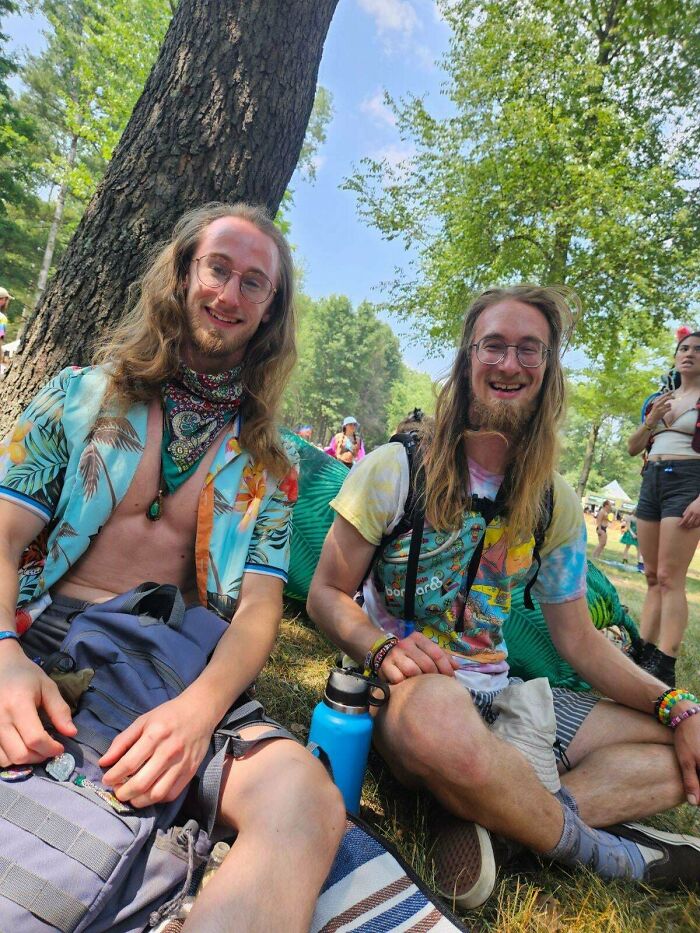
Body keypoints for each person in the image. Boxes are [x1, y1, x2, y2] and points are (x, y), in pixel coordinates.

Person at [0, 202, 344, 931]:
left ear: (269, 313)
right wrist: (2, 652)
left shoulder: (271, 466)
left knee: (306, 798)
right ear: (184, 273)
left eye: (255, 283)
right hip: (33, 627)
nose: (230, 292)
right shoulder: (75, 394)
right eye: (218, 267)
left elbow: (257, 610)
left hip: (172, 663)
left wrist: (198, 712)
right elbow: (2, 537)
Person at [308, 284, 700, 910]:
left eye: (530, 350)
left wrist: (678, 706)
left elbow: (578, 641)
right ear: (467, 359)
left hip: (507, 698)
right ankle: (609, 852)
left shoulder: (556, 502)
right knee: (440, 718)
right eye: (494, 346)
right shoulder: (394, 467)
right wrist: (378, 646)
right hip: (412, 693)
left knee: (680, 750)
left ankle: (491, 819)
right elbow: (327, 592)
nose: (510, 364)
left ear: (549, 371)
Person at [626, 329, 700, 687]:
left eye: (698, 350)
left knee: (671, 578)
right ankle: (642, 648)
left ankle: (666, 659)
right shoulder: (660, 400)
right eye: (684, 348)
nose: (689, 354)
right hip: (651, 477)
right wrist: (651, 419)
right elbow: (631, 447)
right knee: (652, 575)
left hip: (688, 481)